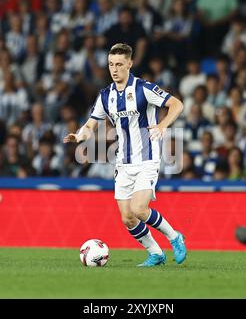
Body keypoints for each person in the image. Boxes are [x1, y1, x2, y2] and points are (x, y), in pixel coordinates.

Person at [63, 43, 186, 267]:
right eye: (111, 64)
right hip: (123, 161)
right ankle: (156, 253)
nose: (114, 69)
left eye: (119, 64)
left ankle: (174, 237)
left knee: (140, 209)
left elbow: (177, 105)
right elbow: (91, 124)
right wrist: (80, 136)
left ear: (130, 63)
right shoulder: (105, 95)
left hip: (147, 157)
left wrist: (163, 125)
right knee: (128, 217)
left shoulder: (143, 88)